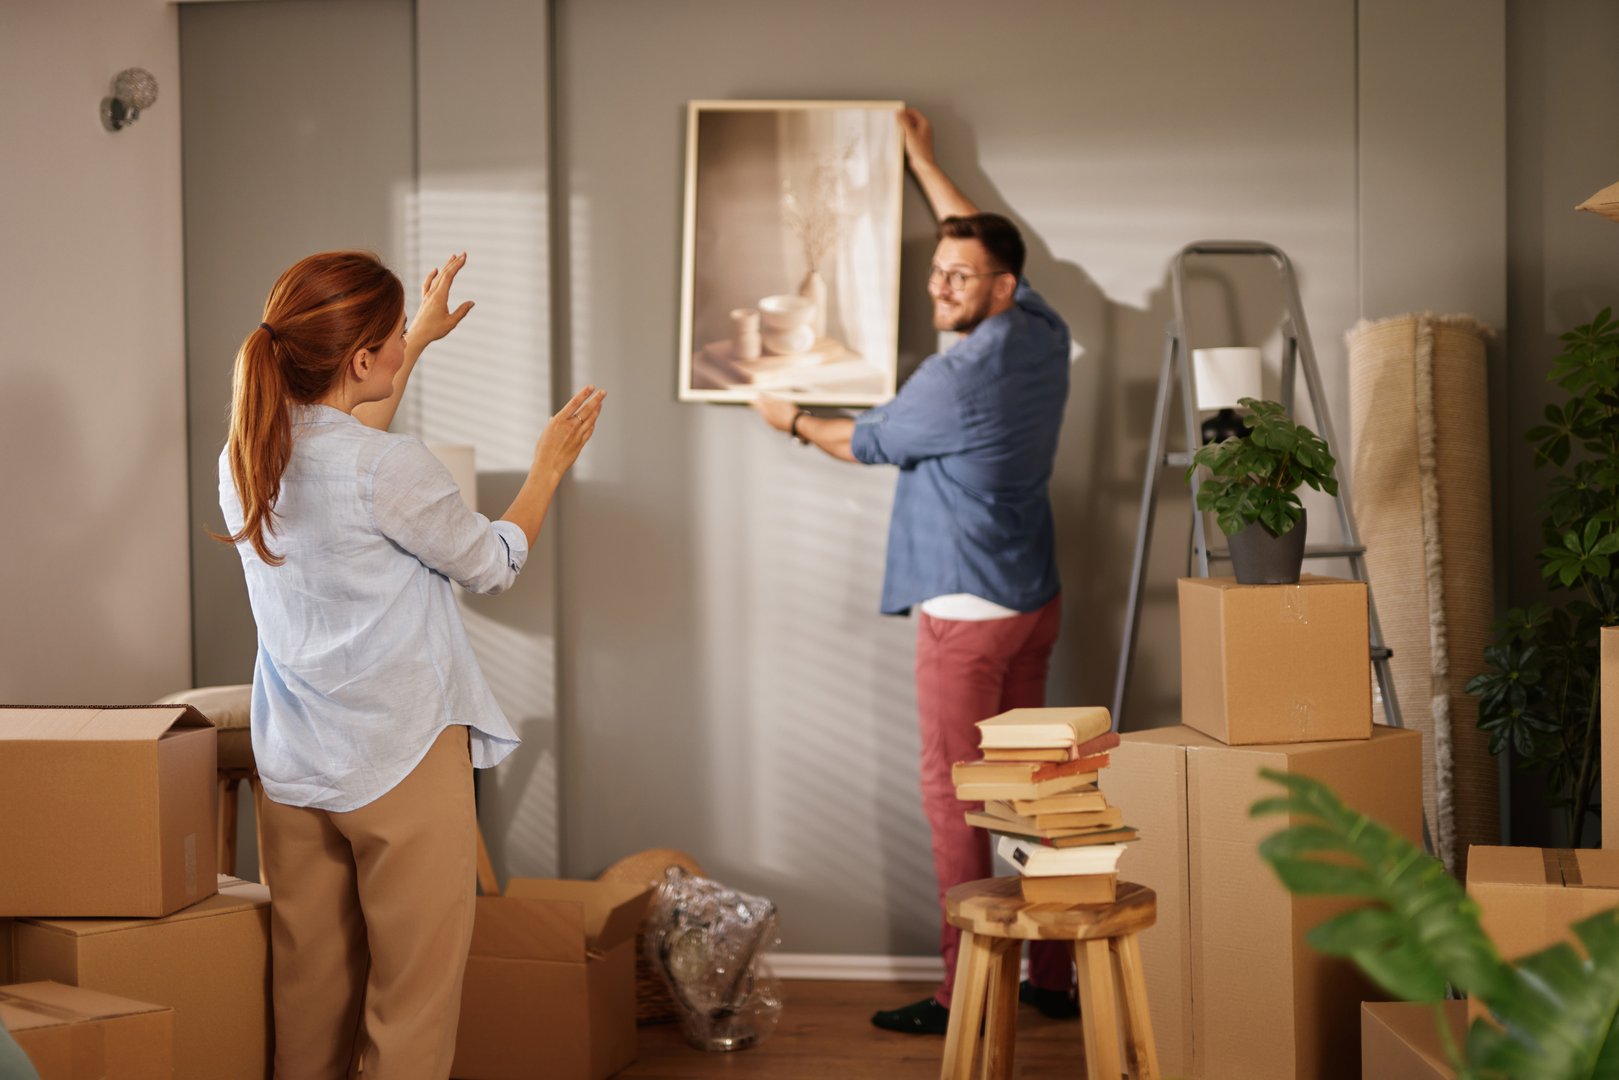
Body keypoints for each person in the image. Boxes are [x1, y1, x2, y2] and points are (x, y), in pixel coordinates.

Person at [218, 250, 605, 1077]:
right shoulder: (386, 467)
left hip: (293, 764)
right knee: (410, 1010)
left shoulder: (244, 457)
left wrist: (416, 340)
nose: (404, 340)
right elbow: (492, 564)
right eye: (394, 334)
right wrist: (547, 468)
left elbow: (348, 456)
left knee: (308, 1001)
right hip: (401, 757)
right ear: (361, 359)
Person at [752, 109, 1075, 1036]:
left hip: (966, 611)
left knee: (953, 795)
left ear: (998, 288)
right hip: (1033, 597)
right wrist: (926, 164)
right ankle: (1051, 972)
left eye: (956, 277)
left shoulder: (954, 382)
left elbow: (861, 442)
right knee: (1030, 787)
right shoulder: (1040, 330)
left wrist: (787, 419)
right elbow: (976, 240)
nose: (938, 285)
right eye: (937, 270)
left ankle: (962, 991)